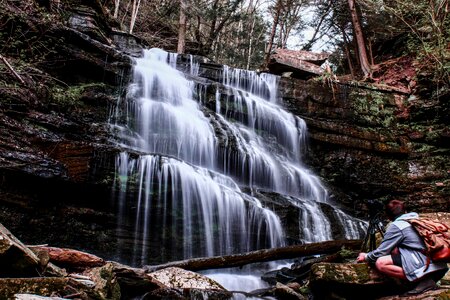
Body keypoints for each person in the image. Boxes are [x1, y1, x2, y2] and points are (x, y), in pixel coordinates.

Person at [356, 199, 449, 296]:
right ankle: (419, 280)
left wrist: (366, 256)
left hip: (427, 269)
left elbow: (381, 252)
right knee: (394, 249)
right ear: (405, 211)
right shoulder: (417, 219)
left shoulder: (397, 226)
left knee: (381, 262)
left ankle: (423, 281)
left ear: (388, 216)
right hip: (439, 266)